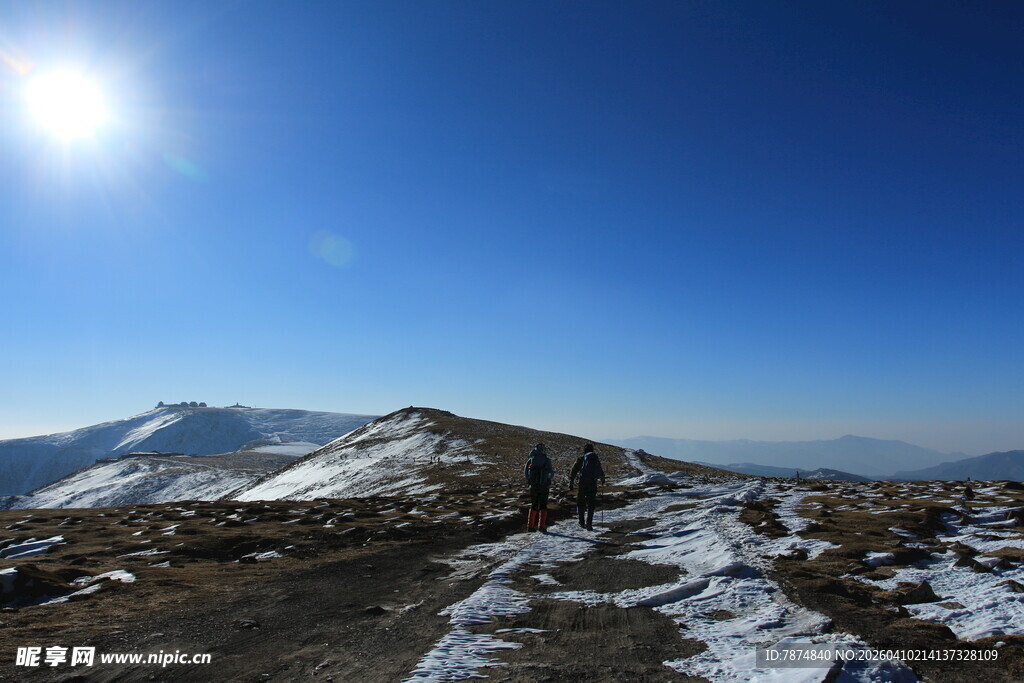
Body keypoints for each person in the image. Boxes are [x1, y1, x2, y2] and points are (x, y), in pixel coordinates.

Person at [569, 444, 606, 530]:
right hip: (593, 483)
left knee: (580, 502)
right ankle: (589, 523)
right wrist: (602, 479)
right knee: (591, 503)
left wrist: (571, 482)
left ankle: (581, 522)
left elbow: (574, 470)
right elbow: (600, 470)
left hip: (583, 483)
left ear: (584, 450)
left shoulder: (581, 459)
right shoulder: (595, 459)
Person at [524, 443, 554, 532]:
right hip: (544, 486)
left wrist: (531, 481)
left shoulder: (531, 460)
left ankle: (530, 526)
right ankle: (541, 526)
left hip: (533, 486)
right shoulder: (547, 460)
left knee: (534, 504)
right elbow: (551, 474)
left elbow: (526, 472)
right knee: (543, 505)